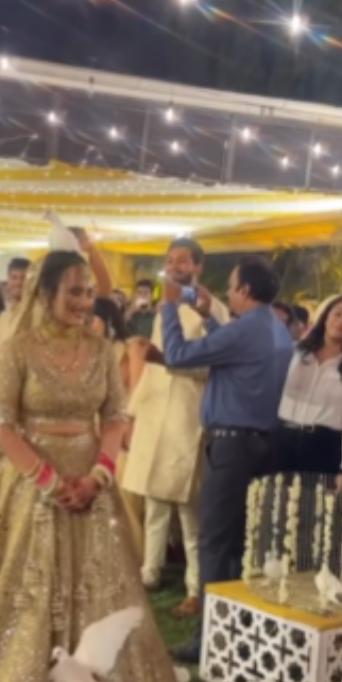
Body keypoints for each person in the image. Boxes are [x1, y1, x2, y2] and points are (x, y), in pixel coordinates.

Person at [0, 250, 184, 682]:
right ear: (45, 294)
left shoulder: (101, 350)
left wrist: (98, 476)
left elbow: (115, 417)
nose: (84, 301)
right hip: (30, 483)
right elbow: (1, 424)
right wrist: (48, 480)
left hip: (91, 485)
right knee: (26, 593)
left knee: (102, 590)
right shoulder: (17, 349)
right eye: (74, 292)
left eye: (89, 292)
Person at [158, 255, 292, 664]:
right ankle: (235, 633)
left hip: (232, 446)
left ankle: (209, 639)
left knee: (215, 543)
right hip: (264, 444)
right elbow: (236, 353)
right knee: (239, 544)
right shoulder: (275, 327)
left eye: (232, 287)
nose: (228, 294)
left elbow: (176, 354)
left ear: (245, 291)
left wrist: (168, 307)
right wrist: (209, 317)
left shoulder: (245, 329)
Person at [122, 238, 229, 619]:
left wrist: (166, 359)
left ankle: (195, 587)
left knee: (188, 508)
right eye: (170, 260)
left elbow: (214, 365)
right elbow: (150, 368)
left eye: (182, 261)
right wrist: (132, 414)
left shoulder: (212, 309)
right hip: (155, 412)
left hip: (188, 414)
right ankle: (149, 573)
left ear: (198, 267)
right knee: (154, 502)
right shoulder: (163, 307)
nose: (174, 266)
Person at [274, 294, 342, 487]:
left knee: (314, 504)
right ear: (325, 317)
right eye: (337, 314)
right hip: (282, 440)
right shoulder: (295, 353)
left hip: (324, 447)